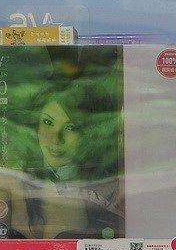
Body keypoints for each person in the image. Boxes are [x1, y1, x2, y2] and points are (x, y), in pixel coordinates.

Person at [14, 78, 124, 240]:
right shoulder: (16, 181)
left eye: (70, 127)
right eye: (47, 122)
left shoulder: (111, 187)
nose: (55, 139)